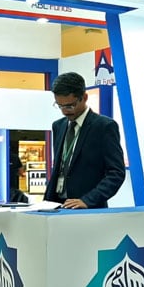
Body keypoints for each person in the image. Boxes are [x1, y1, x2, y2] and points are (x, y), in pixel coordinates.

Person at [44, 72, 125, 209]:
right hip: (57, 206)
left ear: (84, 97)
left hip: (88, 210)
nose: (65, 111)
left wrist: (88, 200)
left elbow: (116, 173)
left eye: (70, 106)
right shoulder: (58, 126)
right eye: (60, 105)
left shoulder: (104, 127)